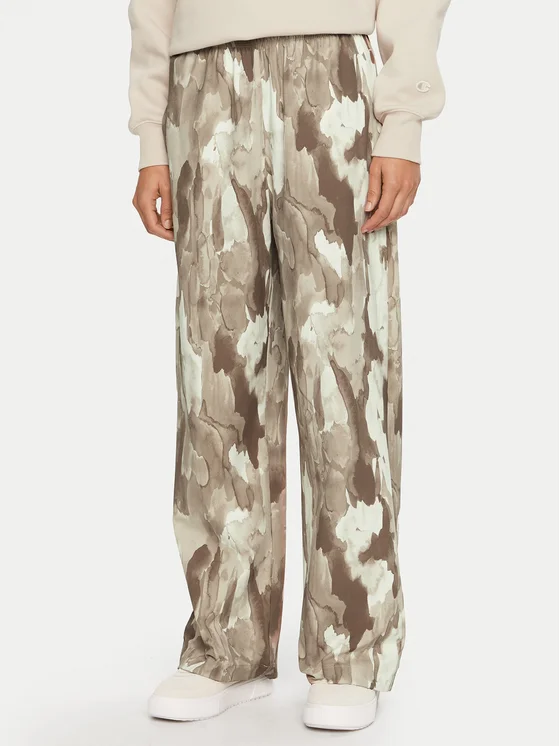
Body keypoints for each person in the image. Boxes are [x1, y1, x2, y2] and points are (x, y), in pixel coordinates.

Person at [128, 0, 449, 731]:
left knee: (344, 365)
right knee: (216, 371)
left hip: (331, 69)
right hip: (201, 80)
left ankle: (347, 653)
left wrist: (403, 118)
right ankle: (226, 647)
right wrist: (150, 133)